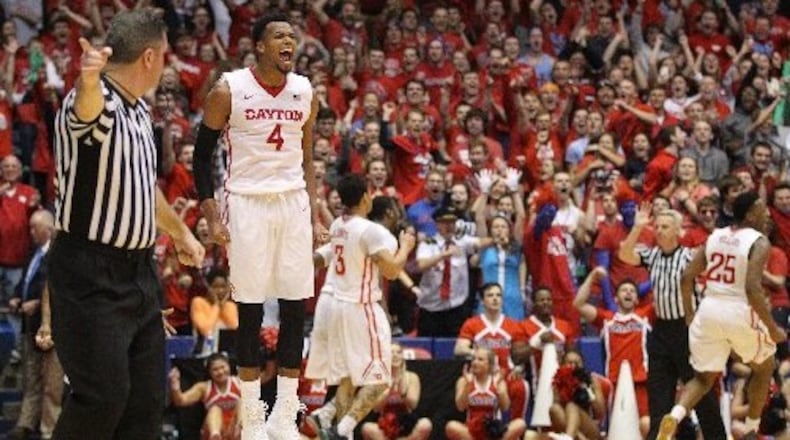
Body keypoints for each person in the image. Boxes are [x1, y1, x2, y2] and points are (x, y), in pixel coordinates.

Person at [49, 8, 205, 440]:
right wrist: (87, 80)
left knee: (146, 402)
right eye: (166, 55)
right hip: (90, 273)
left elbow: (143, 187)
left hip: (139, 272)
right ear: (149, 58)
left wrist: (181, 232)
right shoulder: (95, 102)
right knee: (102, 397)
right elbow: (88, 112)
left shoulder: (138, 112)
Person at [193, 11, 328, 440]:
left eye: (292, 36)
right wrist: (211, 215)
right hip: (246, 202)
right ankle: (252, 417)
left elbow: (307, 158)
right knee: (249, 311)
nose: (289, 42)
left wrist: (315, 214)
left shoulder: (305, 91)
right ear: (260, 46)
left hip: (292, 202)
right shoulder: (229, 89)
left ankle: (284, 416)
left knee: (294, 307)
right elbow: (201, 156)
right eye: (279, 36)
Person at [657, 192, 787, 440]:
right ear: (750, 214)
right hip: (737, 308)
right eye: (762, 209)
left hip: (708, 310)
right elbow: (752, 288)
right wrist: (772, 327)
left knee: (703, 379)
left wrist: (689, 316)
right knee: (765, 366)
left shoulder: (715, 236)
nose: (767, 213)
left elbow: (686, 277)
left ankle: (674, 415)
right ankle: (751, 430)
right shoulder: (759, 241)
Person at [313, 174, 416, 439]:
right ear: (365, 198)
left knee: (348, 377)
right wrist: (406, 247)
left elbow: (322, 258)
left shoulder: (338, 224)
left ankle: (327, 417)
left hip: (334, 304)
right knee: (381, 379)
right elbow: (392, 271)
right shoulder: (370, 231)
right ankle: (342, 429)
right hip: (359, 307)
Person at [619, 205, 725, 439]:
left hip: (687, 331)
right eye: (657, 226)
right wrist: (637, 227)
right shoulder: (652, 255)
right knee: (658, 397)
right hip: (661, 331)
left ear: (678, 230)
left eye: (665, 227)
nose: (659, 230)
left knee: (701, 394)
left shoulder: (689, 256)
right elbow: (624, 255)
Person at [573, 267, 653, 436]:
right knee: (615, 431)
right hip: (614, 383)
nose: (628, 293)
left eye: (632, 291)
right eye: (624, 290)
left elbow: (667, 298)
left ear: (637, 300)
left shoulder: (645, 315)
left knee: (646, 425)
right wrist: (592, 276)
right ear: (615, 298)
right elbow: (578, 304)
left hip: (641, 382)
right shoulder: (606, 319)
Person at [8, 210, 63, 440]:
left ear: (48, 229)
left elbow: (58, 289)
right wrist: (17, 296)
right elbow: (26, 281)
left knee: (52, 384)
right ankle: (26, 422)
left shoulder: (58, 256)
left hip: (53, 328)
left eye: (34, 227)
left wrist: (38, 304)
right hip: (29, 326)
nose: (30, 232)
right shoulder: (34, 253)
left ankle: (49, 430)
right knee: (31, 379)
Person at [444, 346, 527, 440]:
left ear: (489, 365)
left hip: (493, 432)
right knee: (451, 427)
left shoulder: (497, 381)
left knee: (520, 424)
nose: (475, 362)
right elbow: (461, 407)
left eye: (480, 359)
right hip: (471, 432)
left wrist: (500, 391)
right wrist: (468, 386)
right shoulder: (463, 381)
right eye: (473, 359)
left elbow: (505, 407)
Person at [360, 342, 433, 440]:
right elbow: (376, 408)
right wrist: (388, 391)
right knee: (367, 428)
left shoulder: (412, 377)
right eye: (391, 353)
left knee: (425, 424)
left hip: (406, 424)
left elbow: (413, 405)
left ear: (402, 356)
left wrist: (402, 393)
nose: (395, 355)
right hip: (385, 424)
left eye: (398, 352)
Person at [169, 353, 242, 440]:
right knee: (215, 409)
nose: (220, 372)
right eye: (215, 369)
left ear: (229, 367)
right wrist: (175, 387)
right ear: (209, 372)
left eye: (223, 367)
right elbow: (181, 401)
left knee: (242, 403)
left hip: (234, 429)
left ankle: (241, 429)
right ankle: (215, 435)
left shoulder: (239, 382)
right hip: (213, 429)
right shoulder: (204, 387)